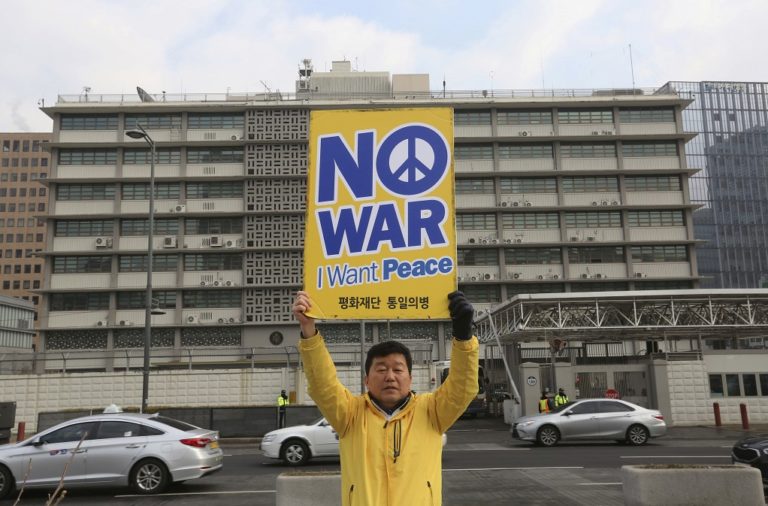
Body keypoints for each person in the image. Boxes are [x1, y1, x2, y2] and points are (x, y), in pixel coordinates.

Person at [293, 290, 478, 506]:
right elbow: (322, 385)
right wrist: (308, 329)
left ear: (410, 378)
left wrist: (464, 337)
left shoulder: (432, 412)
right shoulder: (349, 415)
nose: (390, 376)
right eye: (381, 369)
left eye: (398, 370)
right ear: (367, 380)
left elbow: (463, 388)